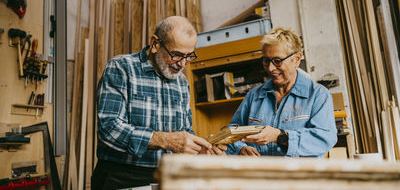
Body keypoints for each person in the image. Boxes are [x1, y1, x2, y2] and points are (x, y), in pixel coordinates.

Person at [91, 16, 226, 190]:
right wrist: (164, 140)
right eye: (176, 55)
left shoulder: (181, 83)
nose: (182, 64)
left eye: (188, 56)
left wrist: (200, 149)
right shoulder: (122, 68)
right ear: (155, 44)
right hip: (121, 176)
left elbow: (185, 132)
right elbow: (109, 128)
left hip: (167, 175)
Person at [226, 27, 337, 157]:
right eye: (266, 61)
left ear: (296, 59)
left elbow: (325, 139)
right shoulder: (254, 96)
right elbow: (231, 131)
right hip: (261, 174)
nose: (271, 68)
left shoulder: (318, 95)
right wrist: (240, 148)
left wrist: (280, 136)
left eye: (277, 61)